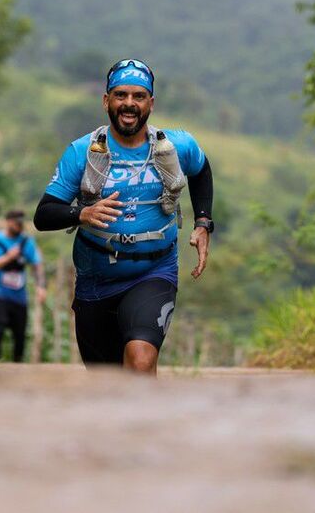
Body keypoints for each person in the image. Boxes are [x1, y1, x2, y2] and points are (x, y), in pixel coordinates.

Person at [33, 58, 214, 374]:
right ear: (106, 101)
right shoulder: (81, 152)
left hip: (154, 270)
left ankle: (146, 423)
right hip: (95, 279)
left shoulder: (178, 146)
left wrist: (202, 223)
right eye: (120, 95)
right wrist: (82, 213)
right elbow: (44, 215)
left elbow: (201, 171)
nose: (129, 104)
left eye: (138, 96)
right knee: (108, 382)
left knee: (141, 361)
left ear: (151, 103)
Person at [0, 209, 46, 362]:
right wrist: (7, 257)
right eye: (17, 223)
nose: (20, 226)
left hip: (19, 297)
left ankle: (17, 368)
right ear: (8, 222)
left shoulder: (26, 242)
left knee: (20, 336)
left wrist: (41, 286)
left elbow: (37, 265)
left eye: (22, 224)